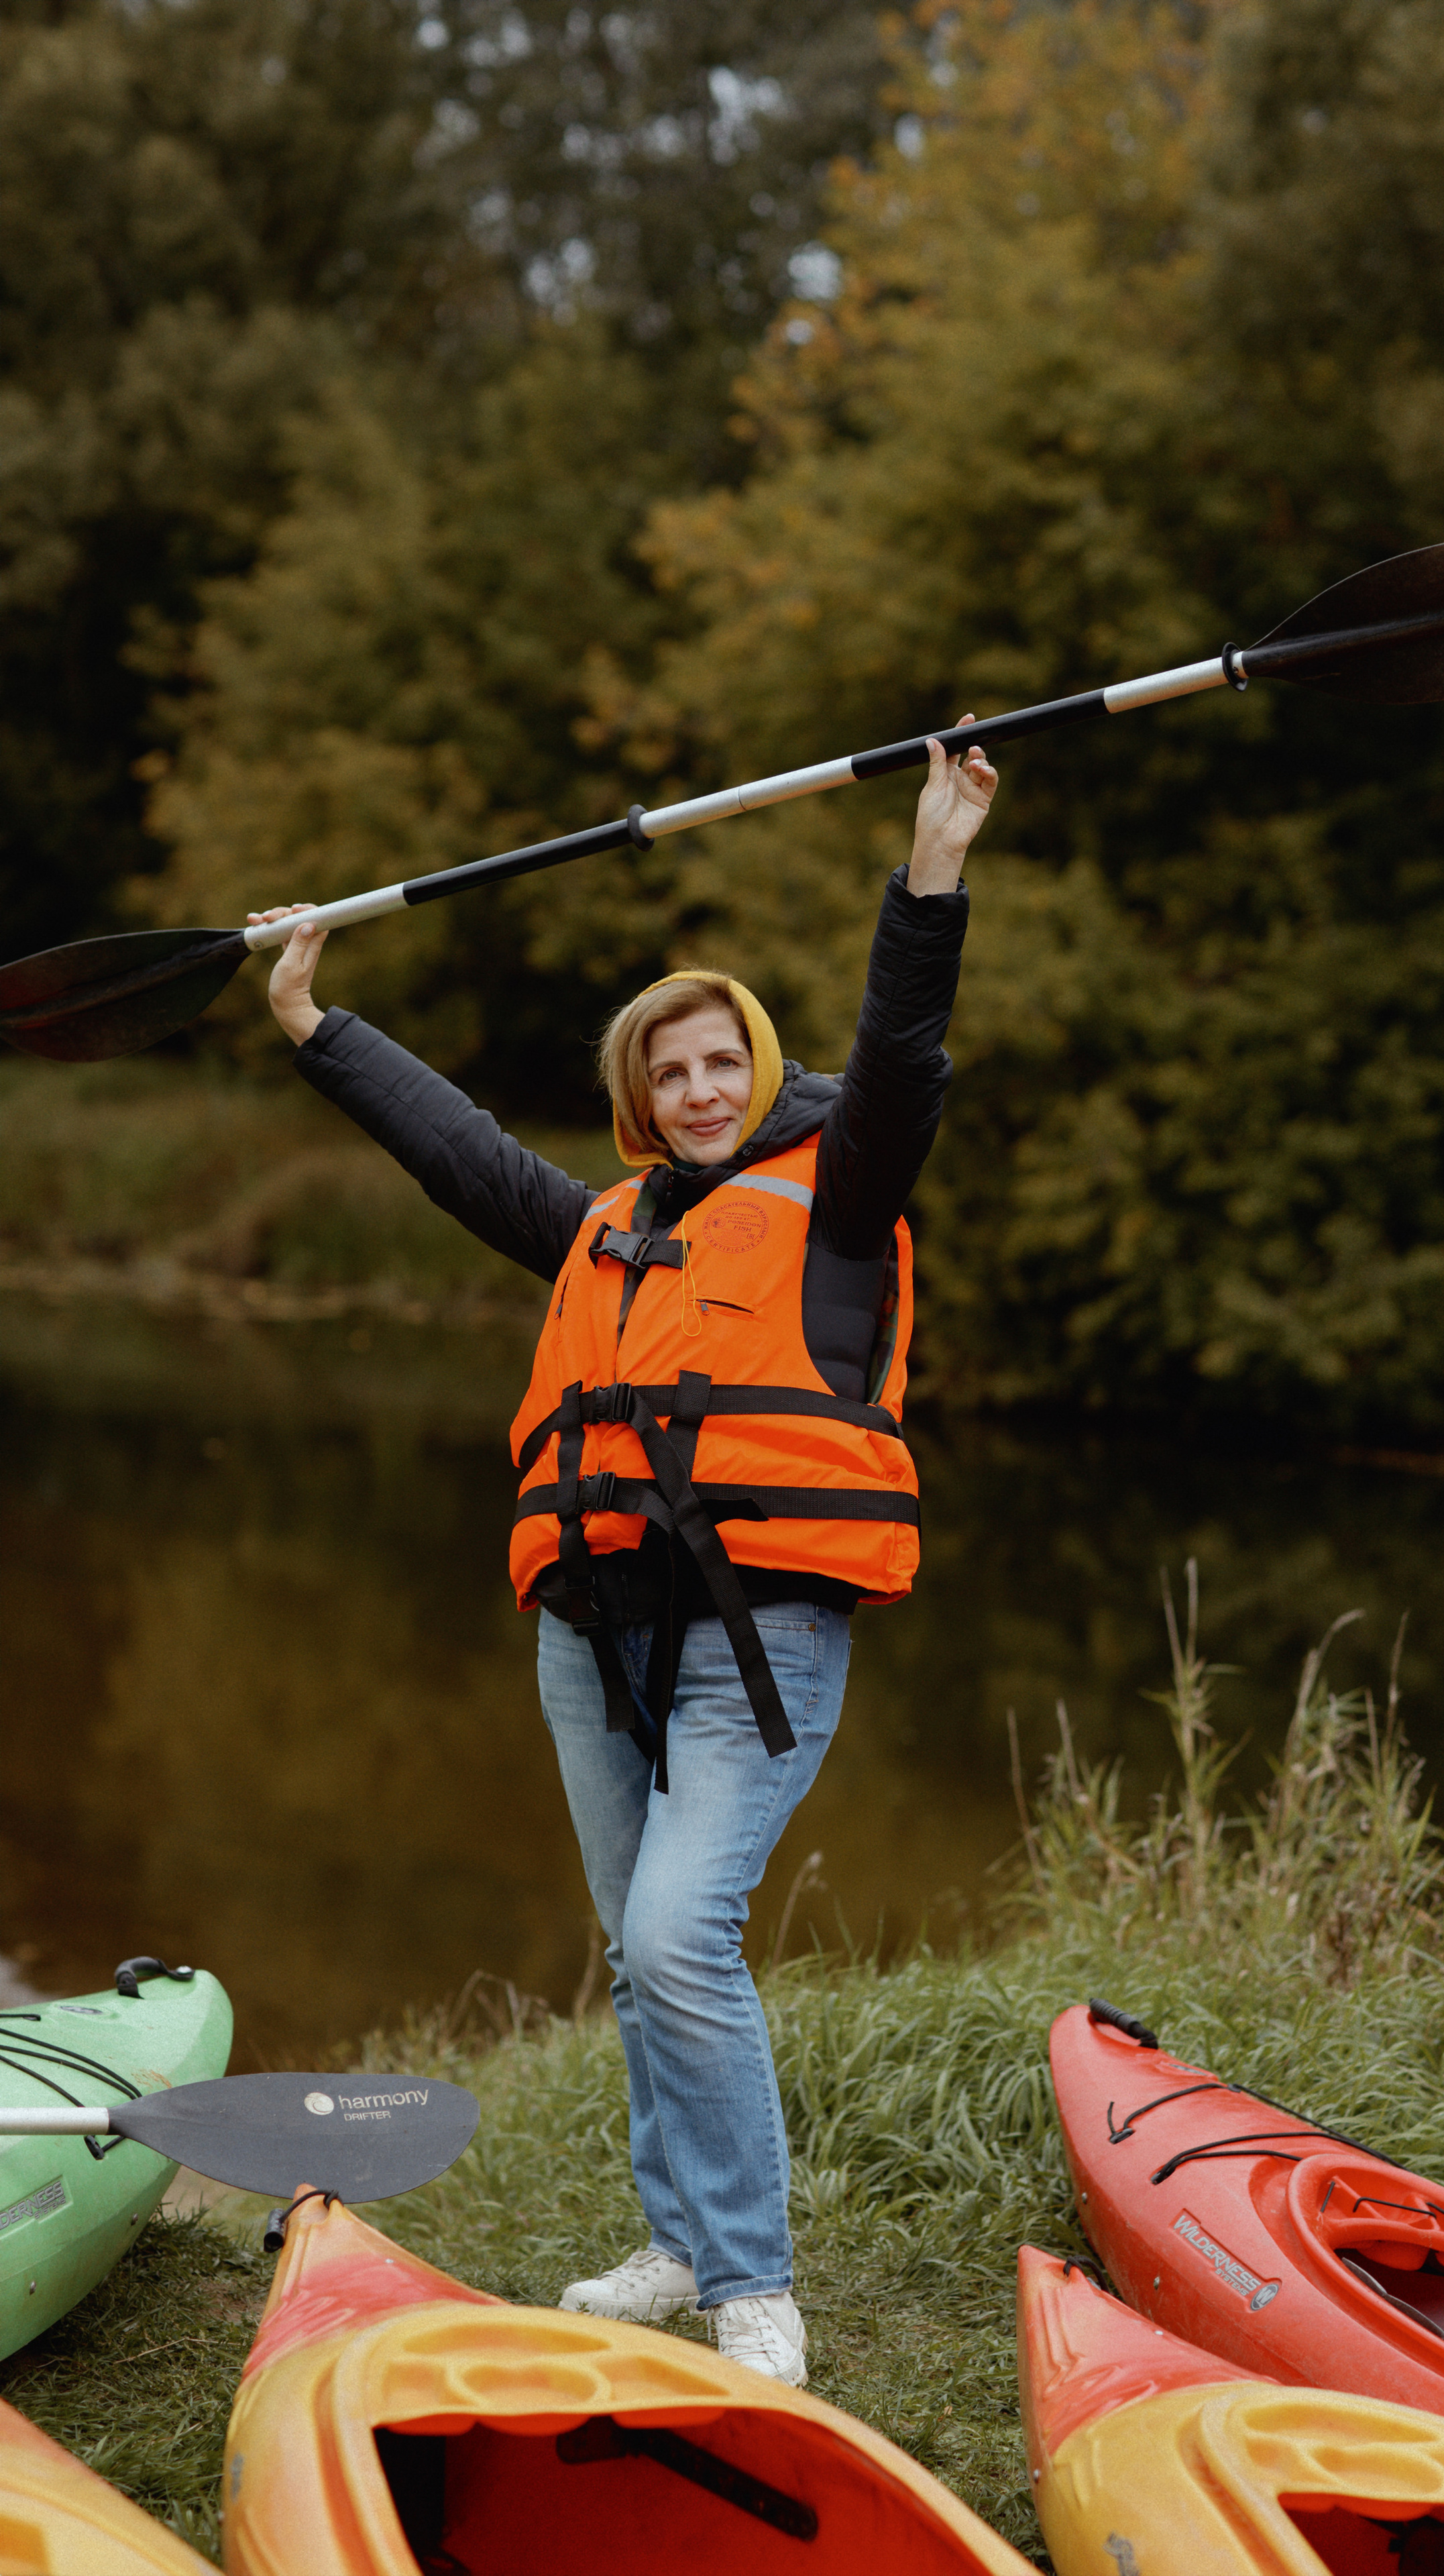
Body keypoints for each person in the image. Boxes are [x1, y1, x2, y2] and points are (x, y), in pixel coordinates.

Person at [254, 722, 997, 2385]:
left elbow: (903, 1054)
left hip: (761, 1632)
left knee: (676, 1940)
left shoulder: (844, 1198)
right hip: (589, 1633)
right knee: (636, 1950)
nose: (703, 1089)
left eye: (722, 1061)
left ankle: (749, 2283)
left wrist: (930, 868)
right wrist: (317, 1028)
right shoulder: (600, 1227)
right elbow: (460, 1156)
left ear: (760, 1068)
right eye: (670, 1074)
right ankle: (673, 2239)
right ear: (638, 1104)